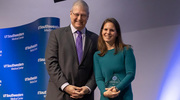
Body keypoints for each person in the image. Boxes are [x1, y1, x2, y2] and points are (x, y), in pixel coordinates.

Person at [45, 0, 98, 100]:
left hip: (84, 96)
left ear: (88, 16)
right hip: (59, 95)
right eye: (76, 14)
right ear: (70, 14)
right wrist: (66, 86)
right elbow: (51, 62)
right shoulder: (56, 35)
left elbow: (98, 69)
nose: (79, 18)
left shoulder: (96, 39)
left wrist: (87, 88)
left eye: (83, 15)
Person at [93, 18, 136, 100]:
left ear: (117, 33)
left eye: (112, 30)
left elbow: (131, 74)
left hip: (124, 96)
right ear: (102, 31)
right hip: (106, 96)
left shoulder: (126, 50)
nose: (108, 32)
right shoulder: (97, 55)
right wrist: (105, 92)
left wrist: (116, 88)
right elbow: (99, 78)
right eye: (105, 29)